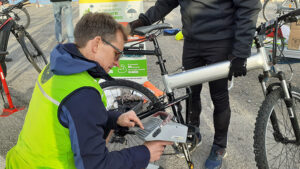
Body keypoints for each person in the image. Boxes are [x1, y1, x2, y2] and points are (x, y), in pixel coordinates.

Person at [6, 12, 172, 169]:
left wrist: (115, 118)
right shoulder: (83, 92)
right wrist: (145, 153)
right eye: (116, 54)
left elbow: (71, 115)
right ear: (97, 43)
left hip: (21, 161)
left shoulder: (55, 67)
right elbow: (96, 166)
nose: (117, 63)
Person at [129, 1, 261, 169]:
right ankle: (193, 133)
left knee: (219, 95)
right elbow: (167, 2)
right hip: (191, 42)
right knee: (191, 93)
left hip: (220, 42)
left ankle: (220, 147)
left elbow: (249, 6)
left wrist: (241, 52)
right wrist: (143, 20)